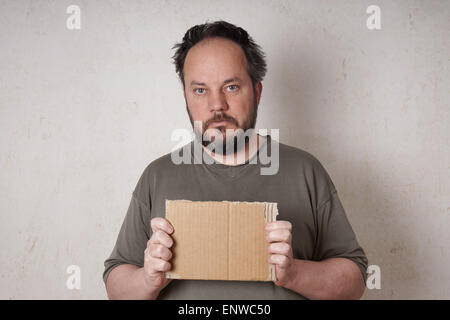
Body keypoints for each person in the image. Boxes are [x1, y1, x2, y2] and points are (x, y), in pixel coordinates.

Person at [103, 20, 368, 300]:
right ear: (186, 97)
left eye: (231, 87)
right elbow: (116, 284)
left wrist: (295, 274)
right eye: (200, 90)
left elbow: (355, 282)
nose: (217, 105)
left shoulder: (305, 171)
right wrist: (147, 279)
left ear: (257, 92)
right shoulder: (158, 176)